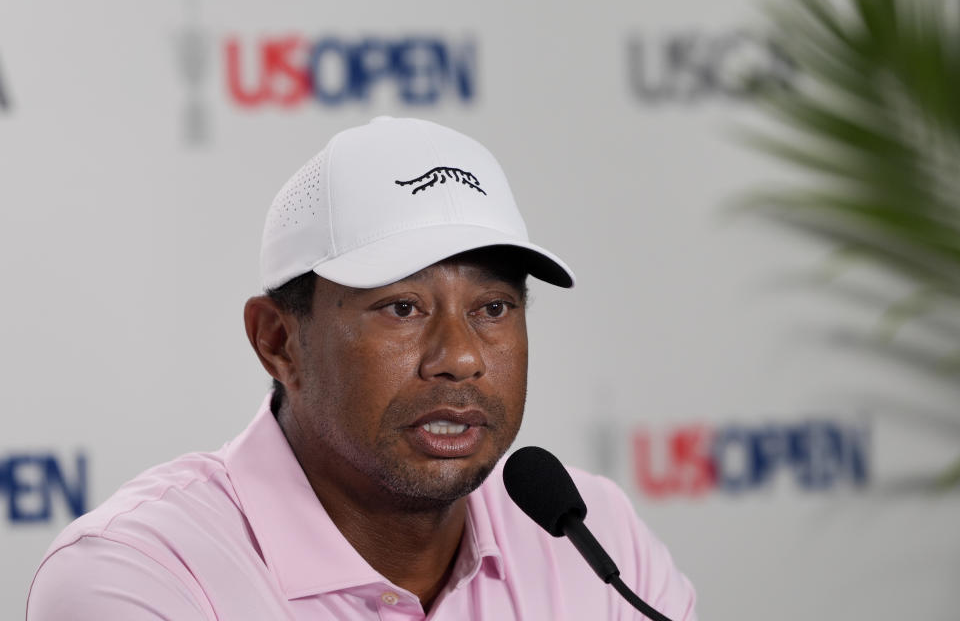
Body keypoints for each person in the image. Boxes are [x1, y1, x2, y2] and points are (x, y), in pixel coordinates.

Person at [26, 116, 697, 620]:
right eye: (402, 308)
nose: (461, 357)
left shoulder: (593, 537)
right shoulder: (137, 575)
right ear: (279, 341)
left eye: (493, 307)